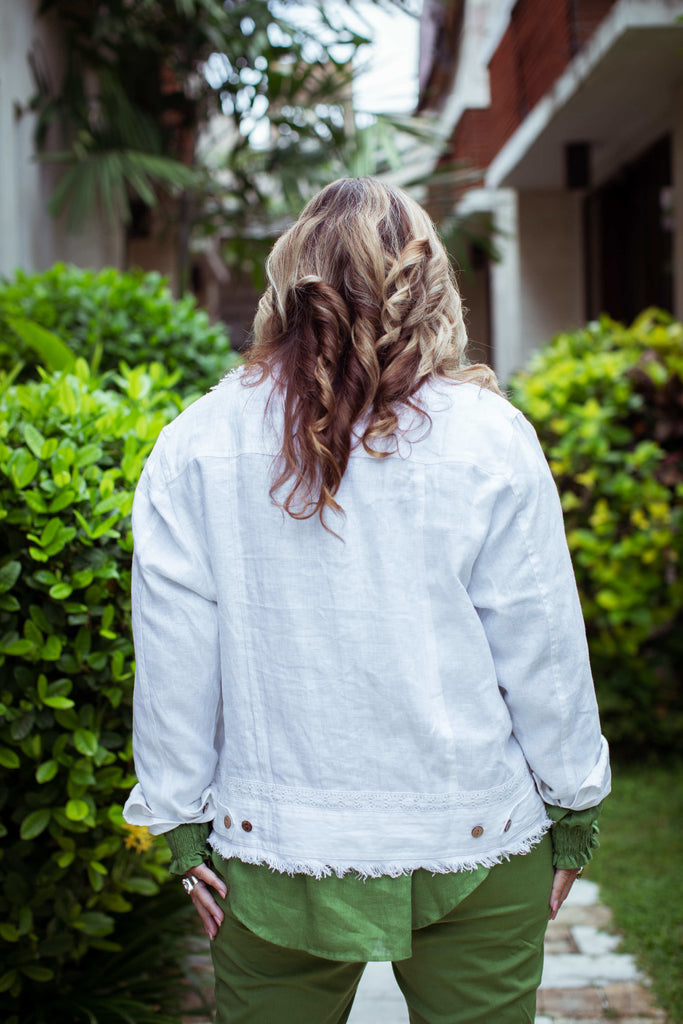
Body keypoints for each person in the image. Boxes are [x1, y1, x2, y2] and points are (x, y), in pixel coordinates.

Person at [123, 177, 610, 1024]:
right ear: (428, 284)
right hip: (476, 831)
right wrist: (573, 803)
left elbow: (173, 660)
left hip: (271, 841)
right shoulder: (489, 436)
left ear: (287, 282)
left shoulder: (194, 441)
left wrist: (174, 818)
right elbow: (541, 645)